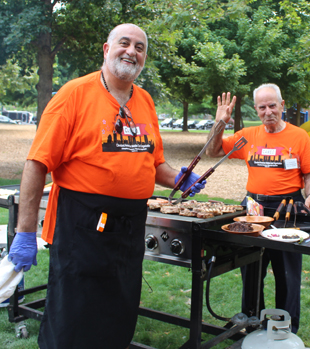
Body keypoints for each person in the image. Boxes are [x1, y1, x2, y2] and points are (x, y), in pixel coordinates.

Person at [7, 23, 205, 349]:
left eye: (140, 47)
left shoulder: (145, 101)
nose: (132, 51)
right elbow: (37, 163)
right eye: (124, 43)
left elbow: (154, 162)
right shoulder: (74, 94)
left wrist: (178, 178)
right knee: (73, 318)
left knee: (118, 314)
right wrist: (25, 231)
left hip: (129, 231)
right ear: (106, 49)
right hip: (81, 227)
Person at [206, 84, 310, 333]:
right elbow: (213, 151)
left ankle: (285, 328)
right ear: (256, 110)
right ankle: (251, 323)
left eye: (272, 105)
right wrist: (220, 122)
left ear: (282, 105)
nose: (268, 111)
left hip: (289, 208)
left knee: (287, 274)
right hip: (253, 209)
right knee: (251, 268)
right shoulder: (248, 136)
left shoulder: (299, 136)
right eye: (262, 107)